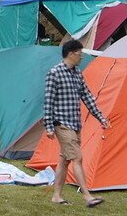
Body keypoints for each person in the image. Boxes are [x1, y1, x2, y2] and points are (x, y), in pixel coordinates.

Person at [43, 39, 110, 207]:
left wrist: (101, 118)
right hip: (61, 124)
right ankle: (87, 196)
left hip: (75, 124)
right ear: (71, 54)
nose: (81, 57)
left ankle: (57, 196)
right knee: (77, 158)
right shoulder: (55, 73)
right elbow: (48, 101)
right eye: (80, 54)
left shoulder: (77, 73)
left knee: (65, 160)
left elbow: (87, 96)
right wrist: (49, 127)